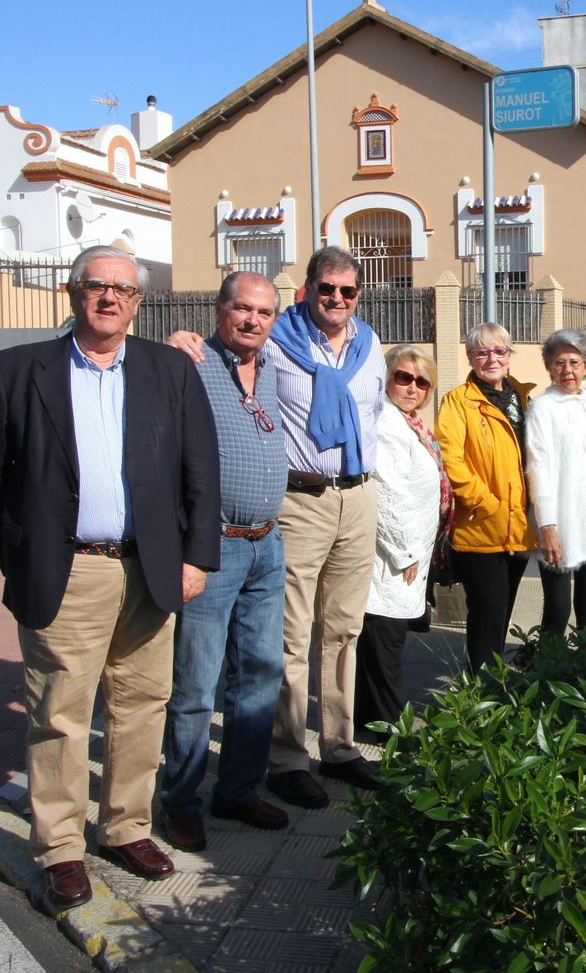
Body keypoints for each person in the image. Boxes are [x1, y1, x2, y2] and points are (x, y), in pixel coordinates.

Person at [0, 245, 220, 912]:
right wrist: (22, 554)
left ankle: (126, 826)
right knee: (60, 714)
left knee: (142, 703)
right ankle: (59, 849)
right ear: (73, 291)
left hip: (151, 567)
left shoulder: (169, 369)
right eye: (97, 286)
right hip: (69, 570)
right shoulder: (18, 370)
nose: (110, 298)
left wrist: (196, 558)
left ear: (138, 303)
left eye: (124, 291)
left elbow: (200, 469)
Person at [167, 246, 386, 807]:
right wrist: (179, 341)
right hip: (300, 501)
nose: (336, 299)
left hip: (357, 496)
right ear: (307, 290)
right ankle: (287, 756)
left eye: (348, 291)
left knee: (344, 630)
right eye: (326, 289)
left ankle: (338, 746)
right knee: (289, 638)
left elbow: (378, 415)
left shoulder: (370, 346)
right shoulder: (277, 344)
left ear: (358, 296)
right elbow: (219, 357)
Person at [159, 272, 290, 854]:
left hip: (268, 543)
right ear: (220, 309)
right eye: (242, 309)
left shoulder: (273, 369)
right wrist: (168, 339)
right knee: (196, 682)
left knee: (260, 676)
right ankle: (180, 801)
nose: (252, 320)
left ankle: (237, 788)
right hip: (213, 545)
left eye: (263, 312)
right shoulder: (190, 363)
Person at [356, 345, 448, 731]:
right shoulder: (387, 425)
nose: (413, 387)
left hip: (408, 554)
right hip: (394, 555)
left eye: (422, 381)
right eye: (404, 377)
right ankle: (380, 721)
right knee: (383, 640)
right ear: (388, 378)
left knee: (388, 641)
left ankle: (377, 713)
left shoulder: (409, 424)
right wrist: (405, 551)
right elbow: (387, 491)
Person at [435, 323, 535, 674]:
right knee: (487, 616)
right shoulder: (457, 402)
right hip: (480, 530)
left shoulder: (524, 399)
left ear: (510, 356)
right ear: (470, 357)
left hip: (519, 529)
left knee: (500, 615)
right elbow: (452, 460)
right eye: (482, 351)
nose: (491, 358)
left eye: (499, 351)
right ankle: (480, 694)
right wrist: (488, 504)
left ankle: (489, 692)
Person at [526, 328, 586, 636]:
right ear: (549, 367)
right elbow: (539, 467)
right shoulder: (542, 408)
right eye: (559, 362)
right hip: (561, 521)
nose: (567, 370)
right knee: (557, 610)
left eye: (575, 362)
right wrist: (548, 525)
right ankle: (549, 679)